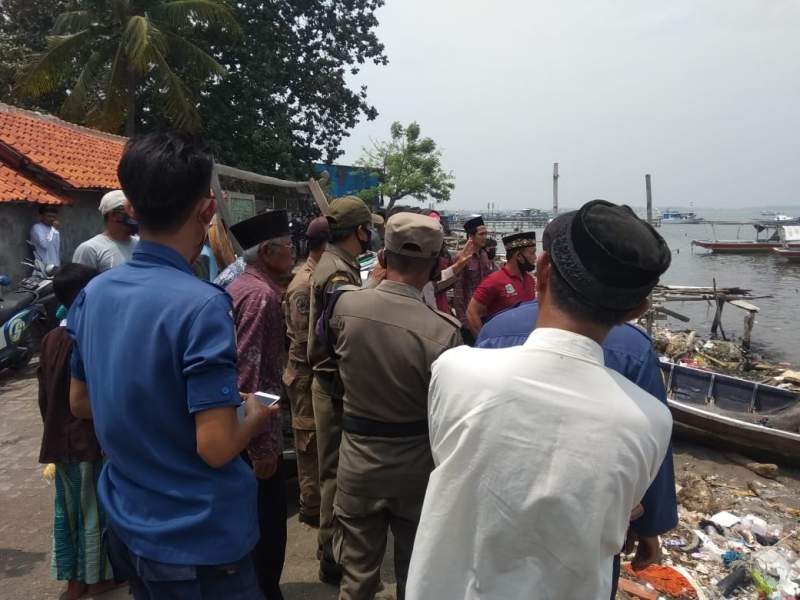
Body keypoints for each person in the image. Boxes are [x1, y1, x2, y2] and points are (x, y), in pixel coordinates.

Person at [406, 200, 674, 600]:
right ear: (638, 309)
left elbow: (460, 465)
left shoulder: (454, 370)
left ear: (543, 270)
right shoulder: (649, 419)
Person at [67, 131, 274, 600]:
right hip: (198, 538)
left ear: (132, 210)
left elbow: (80, 403)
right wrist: (255, 414)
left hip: (127, 522)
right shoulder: (203, 306)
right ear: (207, 211)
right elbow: (216, 446)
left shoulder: (94, 293)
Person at [476, 299, 679, 598]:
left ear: (545, 268)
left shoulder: (497, 329)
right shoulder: (631, 347)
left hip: (502, 508)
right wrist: (650, 528)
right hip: (587, 518)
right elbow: (651, 449)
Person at [326, 212, 462, 600]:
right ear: (436, 265)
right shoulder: (443, 331)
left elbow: (326, 366)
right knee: (416, 577)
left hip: (357, 463)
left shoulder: (345, 307)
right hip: (415, 471)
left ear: (382, 256)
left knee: (357, 580)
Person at [37, 263, 116, 600]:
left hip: (59, 440)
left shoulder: (52, 338)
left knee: (68, 513)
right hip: (87, 441)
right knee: (93, 514)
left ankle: (74, 581)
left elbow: (44, 396)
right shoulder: (86, 339)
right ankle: (95, 579)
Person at [227, 210, 295, 600]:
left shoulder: (240, 285)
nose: (292, 253)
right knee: (267, 534)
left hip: (241, 425)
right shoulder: (261, 296)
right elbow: (251, 374)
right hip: (254, 431)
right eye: (288, 247)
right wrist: (262, 445)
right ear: (268, 252)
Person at [307, 195, 373, 584]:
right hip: (333, 385)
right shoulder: (337, 276)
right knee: (334, 475)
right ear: (360, 231)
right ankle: (331, 556)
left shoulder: (336, 265)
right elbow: (336, 339)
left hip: (329, 382)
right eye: (370, 228)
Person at [283, 216, 330, 529]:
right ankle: (312, 511)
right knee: (310, 447)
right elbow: (305, 340)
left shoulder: (320, 277)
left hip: (314, 374)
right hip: (305, 377)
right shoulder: (305, 283)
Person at [465, 231, 537, 337]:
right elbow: (471, 312)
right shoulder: (494, 281)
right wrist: (484, 342)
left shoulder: (530, 279)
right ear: (519, 256)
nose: (535, 257)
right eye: (532, 253)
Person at [451, 214, 495, 341]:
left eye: (486, 233)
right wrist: (464, 322)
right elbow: (458, 292)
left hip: (487, 313)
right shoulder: (461, 259)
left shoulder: (485, 256)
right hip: (469, 316)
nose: (485, 237)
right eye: (481, 234)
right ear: (471, 236)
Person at [72, 190, 139, 271]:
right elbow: (79, 282)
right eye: (131, 212)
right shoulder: (90, 249)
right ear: (114, 215)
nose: (136, 217)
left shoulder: (141, 245)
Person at [30, 204, 61, 273]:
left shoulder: (54, 230)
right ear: (41, 216)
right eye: (49, 216)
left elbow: (56, 251)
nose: (52, 219)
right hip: (42, 269)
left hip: (55, 269)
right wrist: (53, 230)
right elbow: (45, 244)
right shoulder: (37, 228)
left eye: (54, 217)